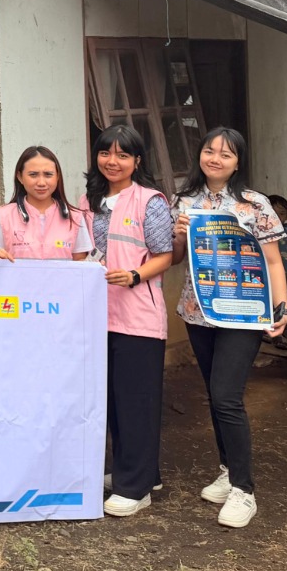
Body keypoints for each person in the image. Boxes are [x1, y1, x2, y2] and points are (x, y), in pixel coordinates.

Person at [169, 127, 287, 529]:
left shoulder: (254, 203)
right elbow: (177, 258)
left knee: (226, 397)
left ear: (238, 162)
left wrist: (281, 307)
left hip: (244, 312)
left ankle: (243, 489)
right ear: (200, 155)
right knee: (214, 393)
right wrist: (179, 236)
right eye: (210, 151)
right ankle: (226, 468)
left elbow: (273, 261)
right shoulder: (185, 200)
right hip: (199, 311)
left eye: (226, 154)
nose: (216, 158)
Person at [79, 124, 173, 518]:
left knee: (137, 400)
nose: (112, 161)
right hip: (96, 315)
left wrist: (135, 275)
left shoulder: (150, 201)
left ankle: (136, 487)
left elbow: (165, 254)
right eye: (105, 153)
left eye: (122, 155)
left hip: (137, 314)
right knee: (113, 400)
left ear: (137, 160)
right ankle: (136, 470)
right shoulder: (87, 201)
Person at [0, 146, 92, 260]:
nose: (41, 182)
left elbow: (80, 261)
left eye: (48, 174)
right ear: (20, 177)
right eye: (33, 174)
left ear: (57, 177)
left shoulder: (75, 217)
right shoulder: (4, 215)